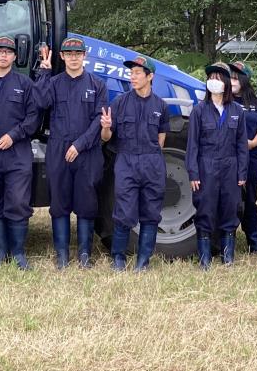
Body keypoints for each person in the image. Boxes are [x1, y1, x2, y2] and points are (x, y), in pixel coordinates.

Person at [33, 36, 106, 268]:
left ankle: (85, 256)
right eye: (69, 55)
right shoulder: (53, 83)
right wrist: (44, 72)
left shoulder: (97, 85)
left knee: (87, 204)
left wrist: (80, 145)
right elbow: (41, 101)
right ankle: (62, 257)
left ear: (84, 56)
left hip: (87, 152)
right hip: (58, 150)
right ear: (62, 57)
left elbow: (99, 120)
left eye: (78, 54)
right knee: (59, 204)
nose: (74, 58)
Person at [101, 53, 169, 270]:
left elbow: (161, 139)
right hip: (126, 161)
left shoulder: (161, 105)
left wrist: (150, 158)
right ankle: (118, 258)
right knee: (123, 212)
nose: (133, 77)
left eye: (138, 73)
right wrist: (105, 126)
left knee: (150, 214)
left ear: (150, 77)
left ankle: (143, 260)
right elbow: (107, 138)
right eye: (132, 73)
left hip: (152, 163)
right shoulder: (120, 103)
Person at [0, 36, 39, 269]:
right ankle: (0, 254)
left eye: (8, 52)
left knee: (18, 201)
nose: (3, 55)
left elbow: (34, 118)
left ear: (14, 57)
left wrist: (14, 135)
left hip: (17, 151)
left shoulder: (25, 84)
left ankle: (19, 254)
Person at [187, 62, 249, 268]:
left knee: (230, 209)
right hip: (206, 166)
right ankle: (205, 257)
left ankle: (227, 256)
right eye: (210, 78)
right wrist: (193, 173)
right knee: (205, 209)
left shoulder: (237, 111)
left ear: (225, 83)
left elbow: (242, 145)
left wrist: (242, 173)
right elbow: (192, 146)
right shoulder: (198, 111)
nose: (213, 82)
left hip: (230, 166)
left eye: (217, 78)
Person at [230, 61, 257, 254]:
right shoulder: (224, 101)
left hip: (251, 156)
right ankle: (229, 239)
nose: (232, 81)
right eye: (230, 77)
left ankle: (254, 239)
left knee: (249, 199)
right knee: (231, 200)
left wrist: (252, 143)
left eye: (236, 77)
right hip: (228, 159)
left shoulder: (256, 104)